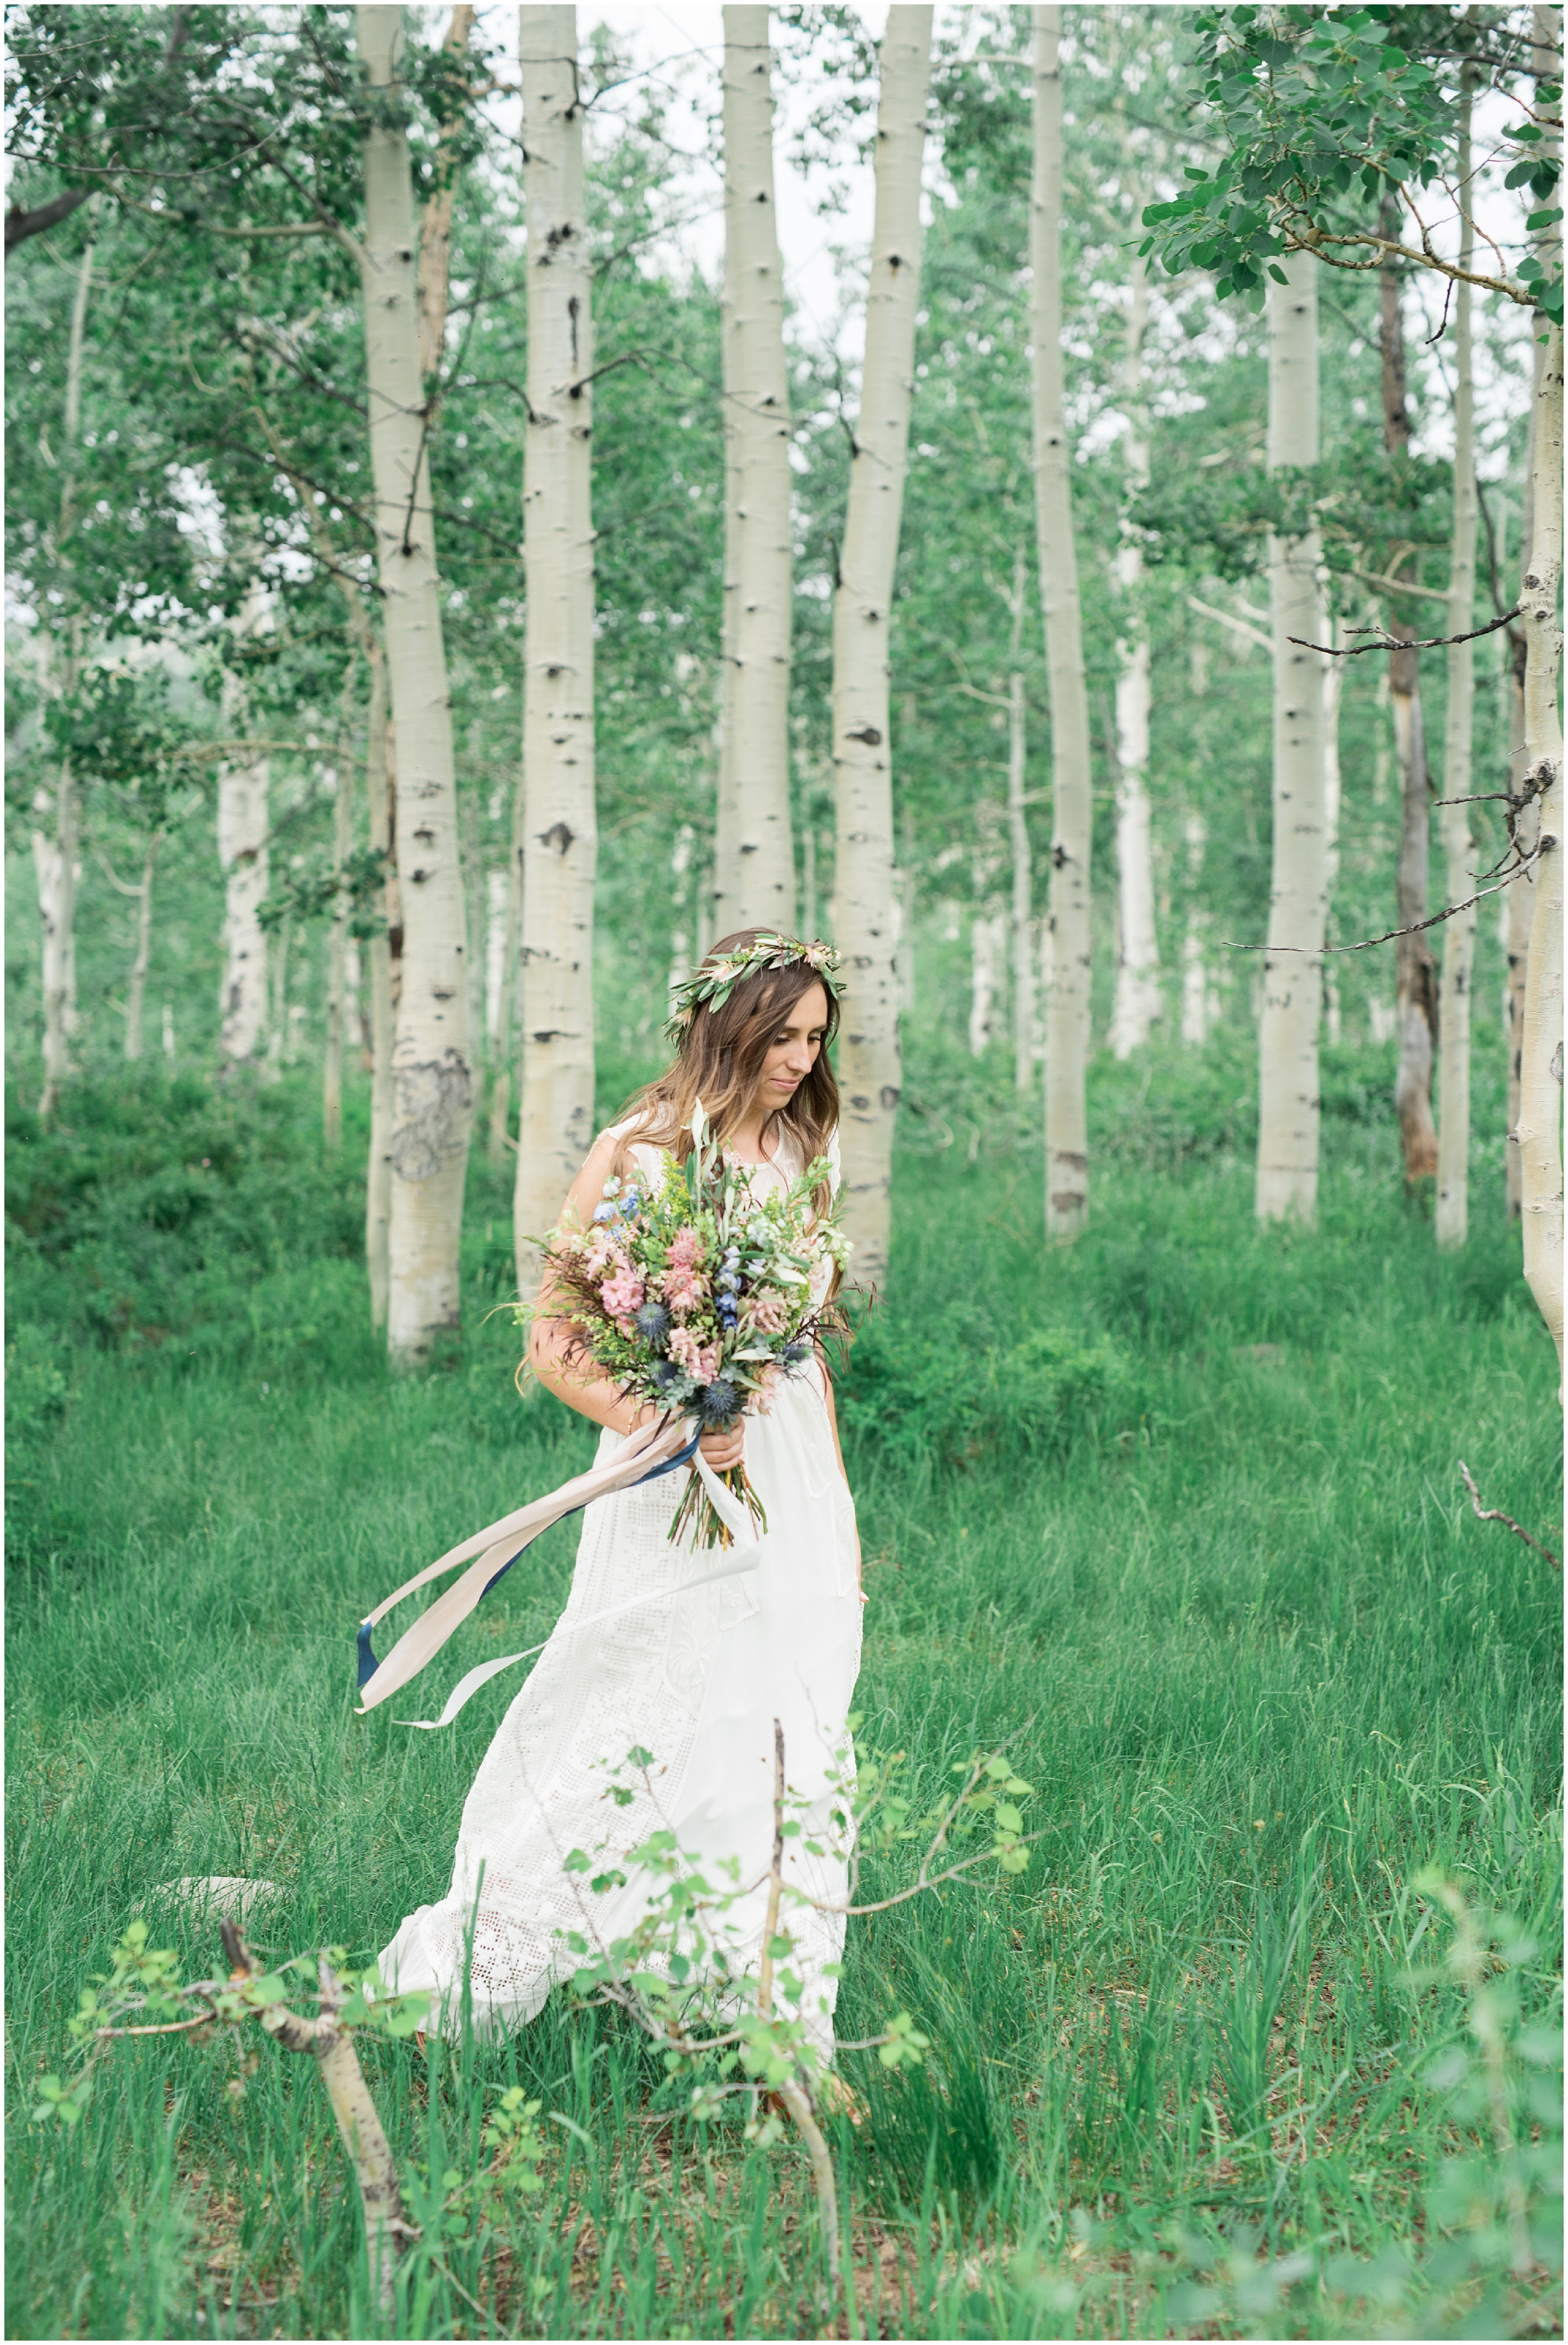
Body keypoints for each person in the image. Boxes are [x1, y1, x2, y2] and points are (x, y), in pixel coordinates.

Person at [377, 930, 864, 2065]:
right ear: (723, 1024)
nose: (801, 1059)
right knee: (637, 1711)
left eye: (816, 1039)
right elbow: (553, 1337)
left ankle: (776, 2019)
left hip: (785, 1467)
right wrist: (665, 1422)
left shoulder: (806, 1152)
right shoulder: (636, 1150)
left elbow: (807, 1353)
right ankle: (504, 1958)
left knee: (784, 1718)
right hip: (658, 1468)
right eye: (784, 1035)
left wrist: (835, 1518)